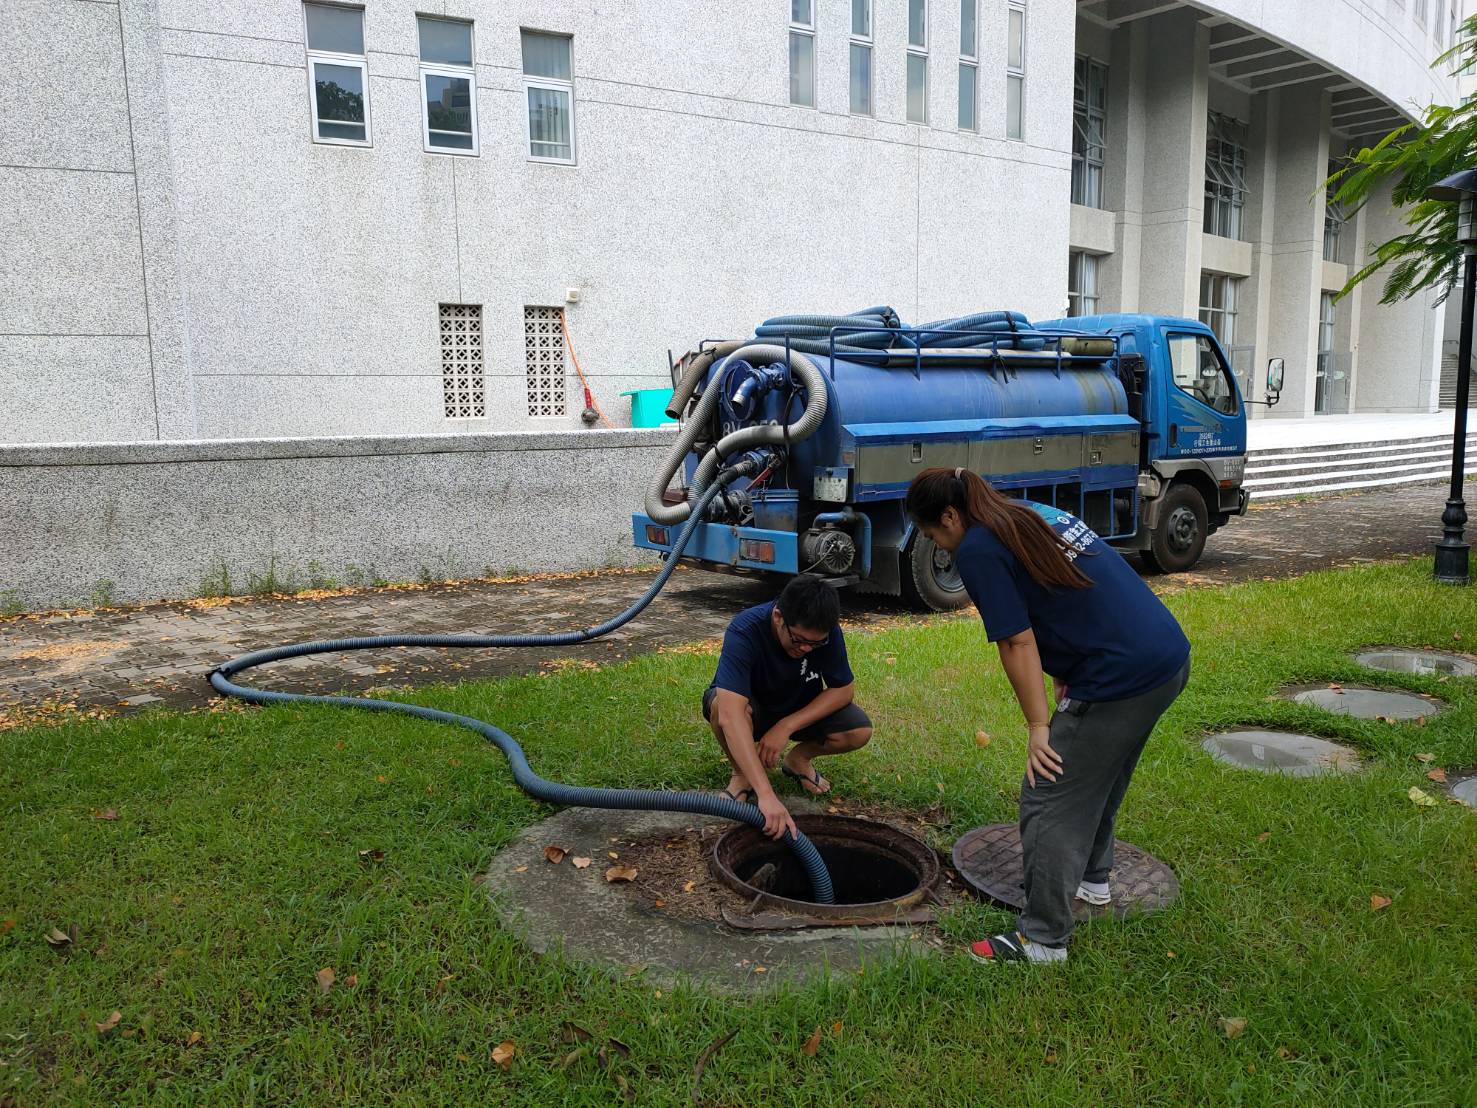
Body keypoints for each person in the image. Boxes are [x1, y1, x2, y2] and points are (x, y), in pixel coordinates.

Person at [906, 467, 1190, 964]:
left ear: (951, 516)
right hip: (1163, 657)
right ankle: (1092, 884)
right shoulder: (1025, 513)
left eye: (935, 534)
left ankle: (1042, 940)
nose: (941, 547)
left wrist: (1040, 727)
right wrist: (1070, 664)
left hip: (1119, 675)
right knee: (1097, 776)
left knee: (1048, 793)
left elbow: (1016, 640)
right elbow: (1072, 589)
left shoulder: (976, 547)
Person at [704, 574, 873, 841]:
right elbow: (729, 714)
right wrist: (767, 795)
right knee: (718, 706)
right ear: (778, 617)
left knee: (858, 730)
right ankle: (741, 775)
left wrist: (786, 726)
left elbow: (844, 690)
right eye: (798, 640)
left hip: (796, 708)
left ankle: (798, 760)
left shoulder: (825, 633)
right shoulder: (745, 629)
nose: (806, 649)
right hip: (754, 709)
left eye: (815, 644)